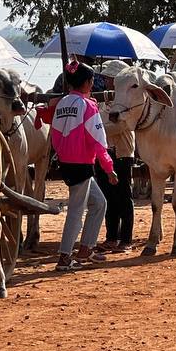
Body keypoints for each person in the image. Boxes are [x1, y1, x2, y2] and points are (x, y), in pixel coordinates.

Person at [50, 61, 116, 271]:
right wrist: (108, 168)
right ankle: (64, 257)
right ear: (88, 83)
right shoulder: (88, 106)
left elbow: (55, 136)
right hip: (81, 164)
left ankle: (86, 248)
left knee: (99, 203)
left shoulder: (62, 104)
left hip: (67, 163)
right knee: (76, 211)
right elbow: (98, 141)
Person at [96, 60, 134, 252]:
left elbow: (122, 125)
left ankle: (126, 239)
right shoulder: (103, 101)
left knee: (124, 196)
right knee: (108, 197)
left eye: (109, 77)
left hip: (122, 153)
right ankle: (111, 237)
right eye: (105, 77)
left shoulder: (127, 103)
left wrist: (98, 130)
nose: (105, 80)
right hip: (106, 154)